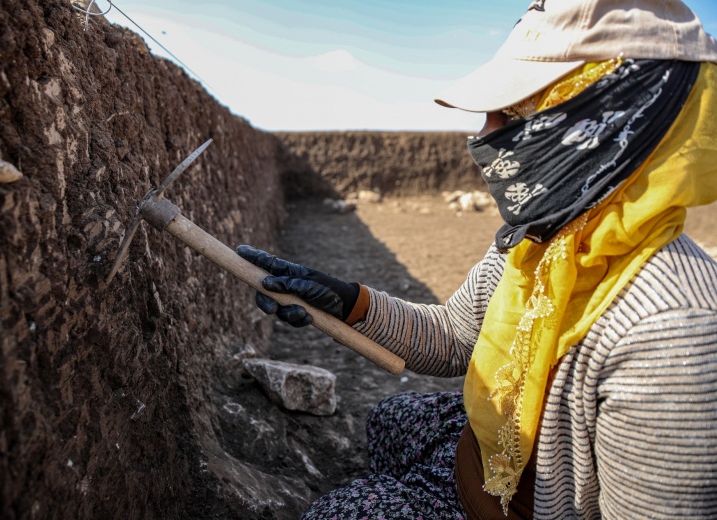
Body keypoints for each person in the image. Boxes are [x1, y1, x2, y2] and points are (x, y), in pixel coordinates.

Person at [238, 0, 717, 518]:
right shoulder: (540, 239)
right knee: (391, 418)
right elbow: (453, 338)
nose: (482, 137)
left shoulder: (670, 334)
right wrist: (347, 303)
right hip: (485, 464)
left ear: (602, 126)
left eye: (512, 115)